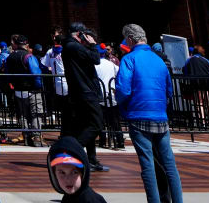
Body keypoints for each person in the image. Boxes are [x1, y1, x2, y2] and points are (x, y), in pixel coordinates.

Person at [115, 25, 182, 203]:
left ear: (130, 39)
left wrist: (125, 109)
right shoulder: (159, 60)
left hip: (138, 115)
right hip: (160, 116)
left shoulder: (129, 59)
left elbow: (122, 89)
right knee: (169, 164)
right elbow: (169, 90)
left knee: (148, 165)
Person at [59, 23, 107, 172]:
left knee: (87, 125)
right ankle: (72, 151)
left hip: (82, 91)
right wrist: (93, 45)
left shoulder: (71, 47)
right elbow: (95, 58)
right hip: (85, 92)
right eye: (84, 34)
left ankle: (91, 159)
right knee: (97, 124)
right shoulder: (72, 47)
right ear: (78, 34)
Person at [47, 137, 108, 203]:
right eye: (62, 173)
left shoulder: (92, 200)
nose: (68, 179)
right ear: (54, 175)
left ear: (83, 173)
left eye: (74, 172)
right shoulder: (68, 197)